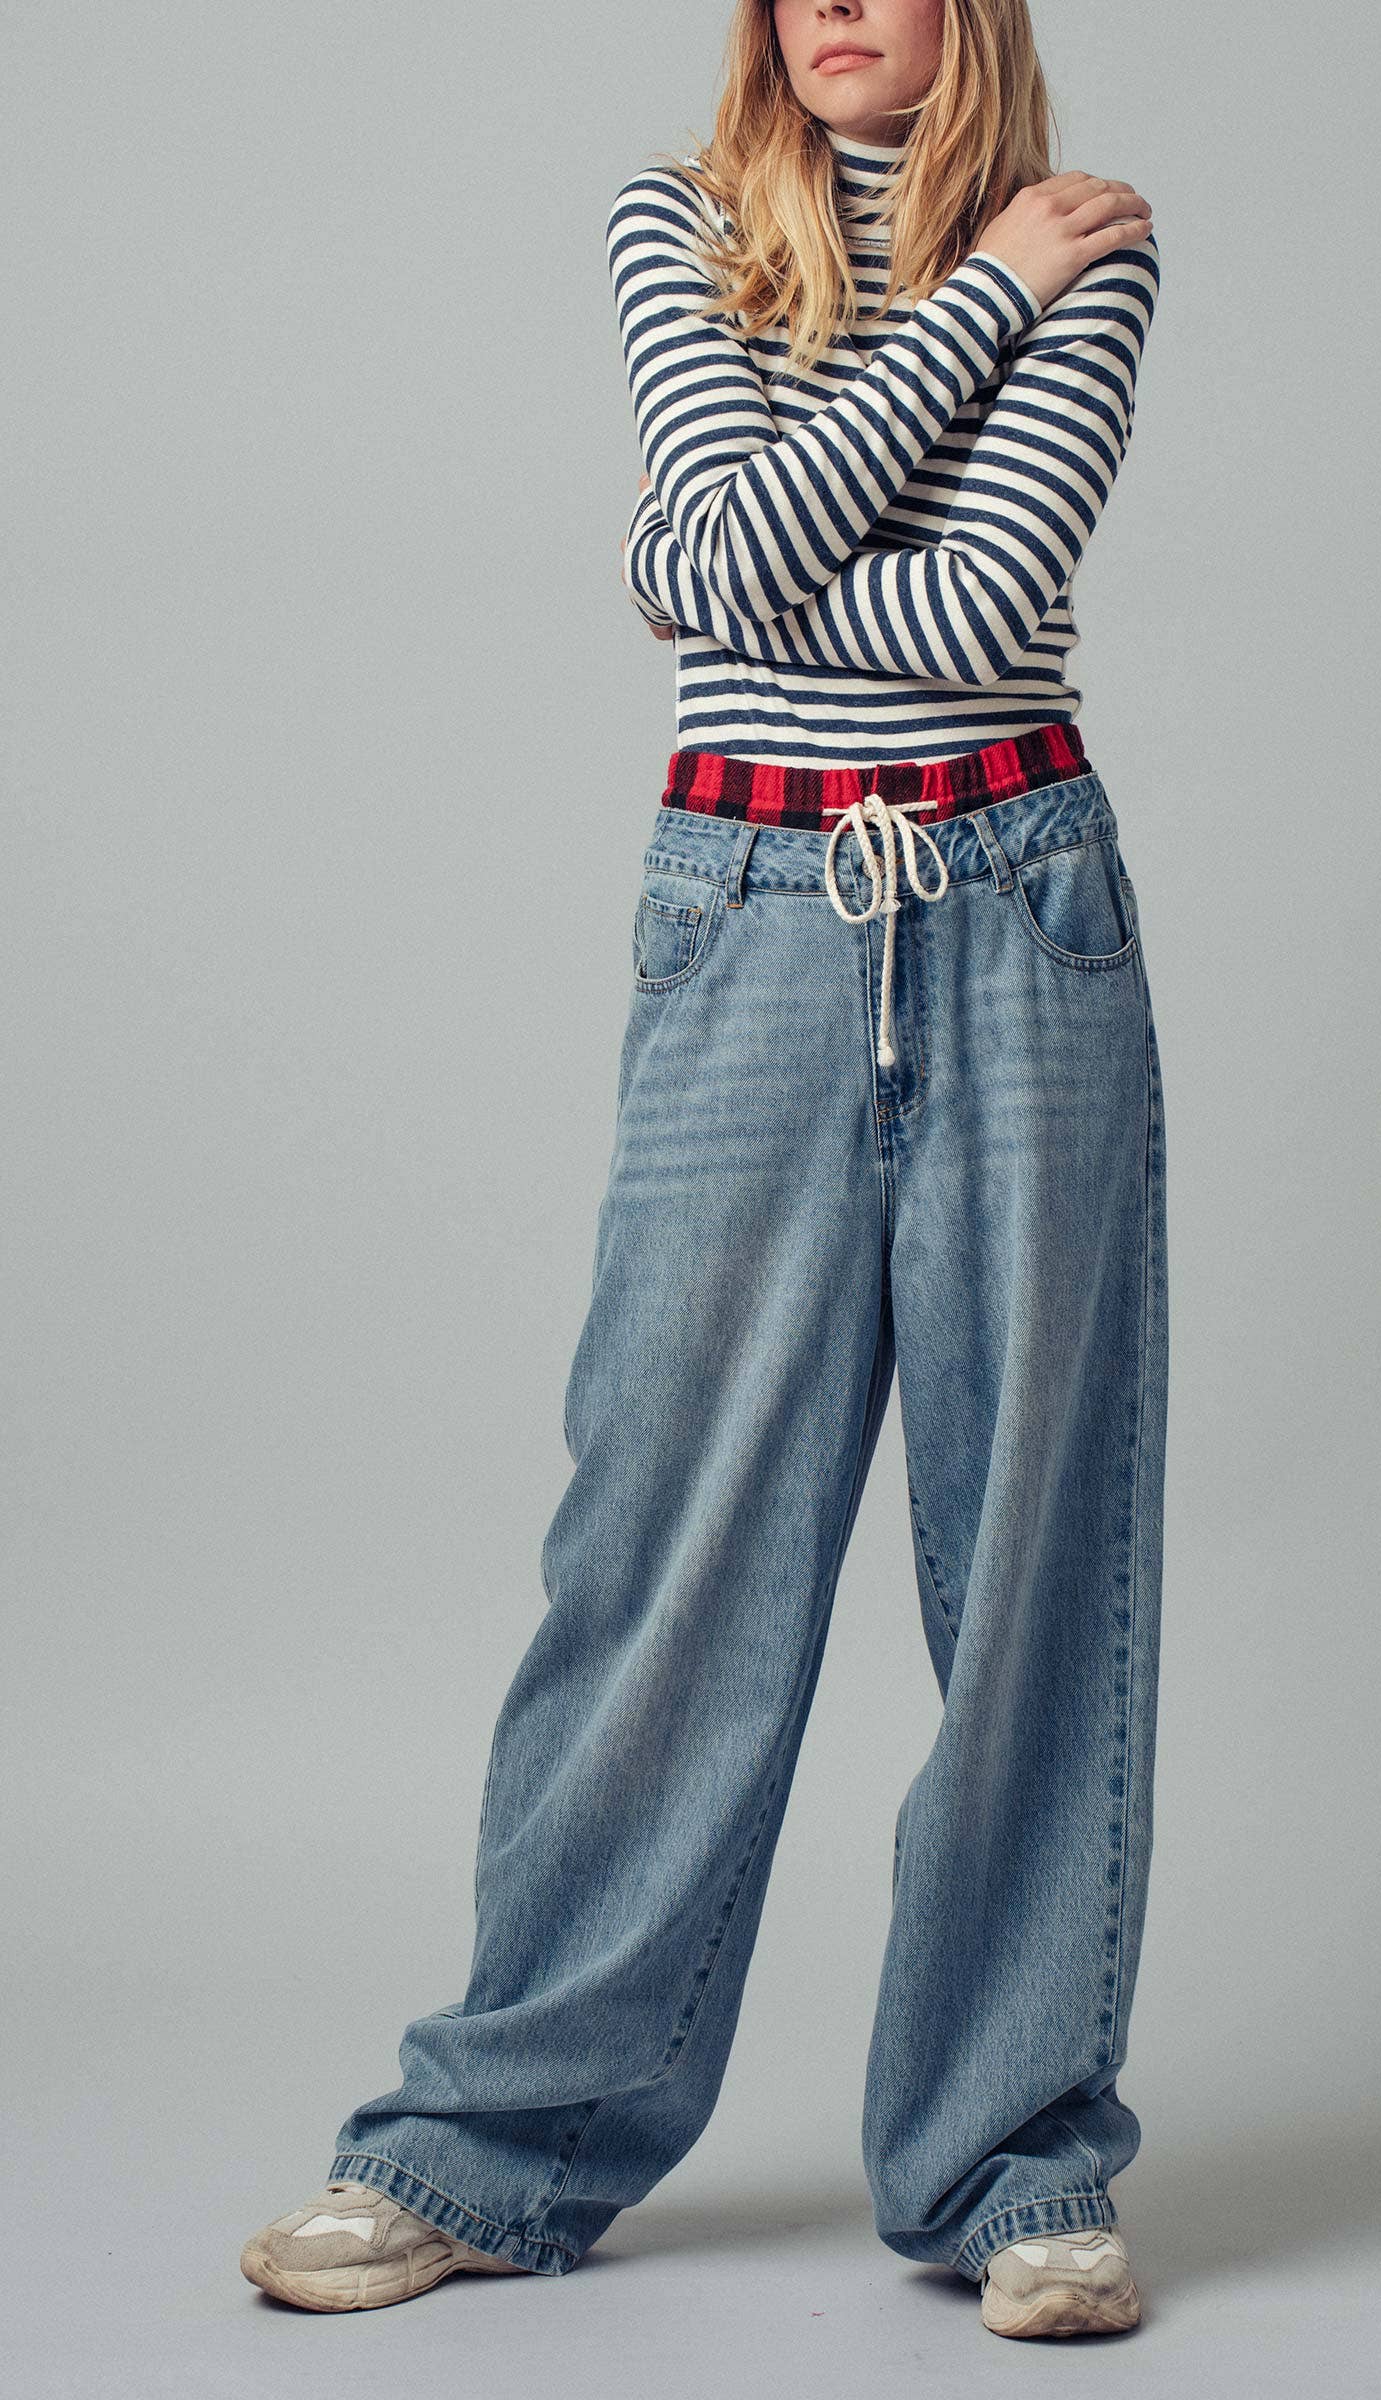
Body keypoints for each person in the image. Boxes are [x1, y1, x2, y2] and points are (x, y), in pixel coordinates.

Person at [241, 0, 1165, 2344]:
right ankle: (495, 2144)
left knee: (1033, 1560)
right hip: (743, 912)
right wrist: (967, 331)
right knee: (659, 1548)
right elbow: (748, 556)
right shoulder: (684, 228)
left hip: (1018, 908)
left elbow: (947, 610)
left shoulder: (1085, 235)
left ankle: (1013, 2162)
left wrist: (734, 543)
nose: (834, 0)